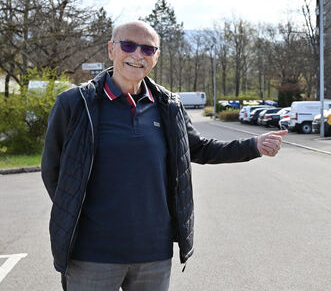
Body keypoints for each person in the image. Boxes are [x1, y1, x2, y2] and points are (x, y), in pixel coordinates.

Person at [41, 20, 288, 290]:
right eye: (128, 45)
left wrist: (254, 145)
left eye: (147, 49)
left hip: (154, 253)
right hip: (92, 253)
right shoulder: (75, 103)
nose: (137, 55)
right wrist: (80, 215)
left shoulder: (168, 106)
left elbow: (200, 148)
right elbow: (53, 169)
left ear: (156, 57)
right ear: (112, 50)